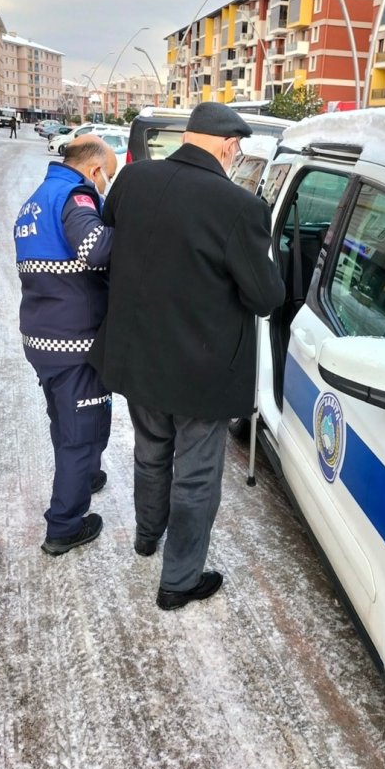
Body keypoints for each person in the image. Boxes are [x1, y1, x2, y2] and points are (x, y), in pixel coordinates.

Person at [89, 102, 285, 609]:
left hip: (136, 356)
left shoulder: (134, 180)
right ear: (228, 145)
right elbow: (265, 297)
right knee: (196, 476)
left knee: (150, 451)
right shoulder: (240, 207)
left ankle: (147, 536)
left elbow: (118, 231)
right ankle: (179, 580)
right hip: (201, 370)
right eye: (236, 149)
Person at [14, 135, 117, 556]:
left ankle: (85, 475)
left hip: (42, 336)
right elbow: (95, 249)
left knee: (65, 420)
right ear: (94, 170)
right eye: (107, 177)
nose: (106, 185)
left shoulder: (36, 201)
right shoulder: (76, 196)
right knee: (83, 434)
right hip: (74, 340)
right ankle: (64, 526)